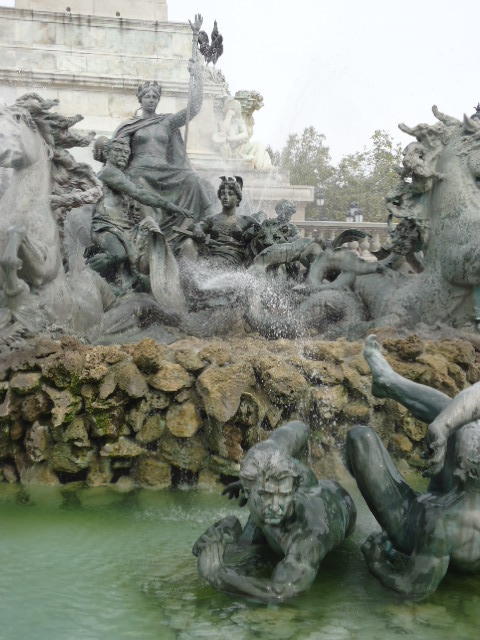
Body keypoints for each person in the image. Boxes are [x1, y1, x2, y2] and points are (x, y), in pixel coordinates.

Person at [346, 335, 480, 599]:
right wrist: (443, 426)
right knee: (459, 417)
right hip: (458, 504)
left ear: (462, 468)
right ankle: (388, 382)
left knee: (360, 438)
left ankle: (388, 382)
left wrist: (377, 563)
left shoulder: (443, 525)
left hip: (415, 524)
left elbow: (414, 588)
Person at [193, 420, 356, 603]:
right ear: (248, 490)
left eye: (283, 495)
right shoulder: (267, 457)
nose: (275, 505)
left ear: (293, 490)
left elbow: (281, 592)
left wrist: (218, 575)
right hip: (288, 488)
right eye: (266, 494)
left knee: (251, 546)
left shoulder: (308, 536)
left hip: (341, 503)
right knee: (246, 545)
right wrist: (247, 482)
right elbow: (298, 427)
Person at [113, 55, 214, 251]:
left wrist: (197, 76)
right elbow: (119, 150)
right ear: (140, 99)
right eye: (147, 96)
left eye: (155, 97)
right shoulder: (130, 125)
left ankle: (199, 222)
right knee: (137, 182)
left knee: (192, 179)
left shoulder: (167, 122)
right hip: (139, 170)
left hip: (164, 171)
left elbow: (194, 108)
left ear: (158, 100)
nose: (151, 100)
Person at [193, 176, 259, 268]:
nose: (226, 197)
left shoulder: (247, 220)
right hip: (212, 257)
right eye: (223, 193)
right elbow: (199, 225)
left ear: (238, 199)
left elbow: (263, 232)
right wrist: (198, 229)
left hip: (233, 259)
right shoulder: (212, 219)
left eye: (230, 194)